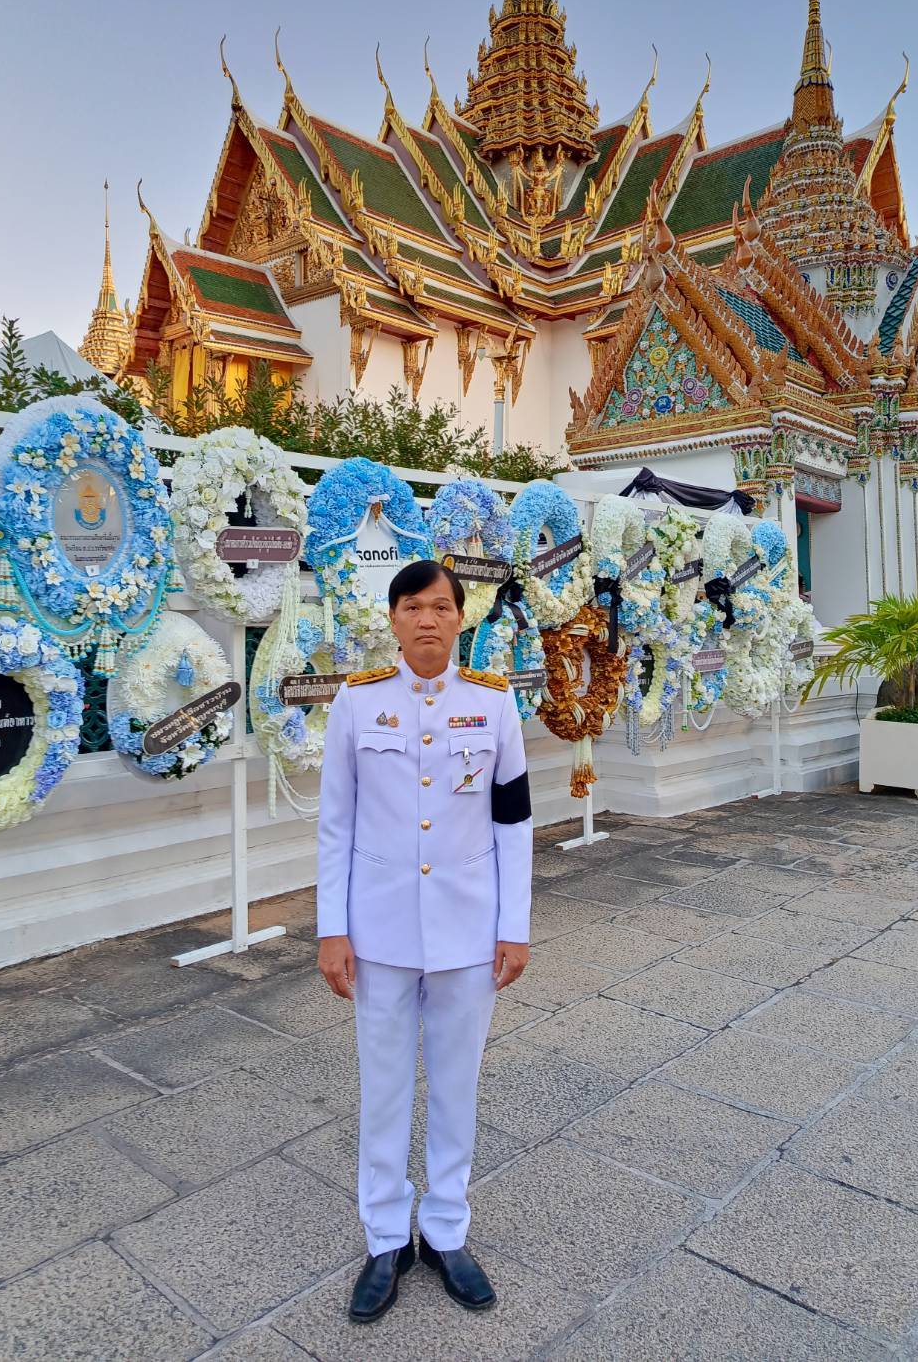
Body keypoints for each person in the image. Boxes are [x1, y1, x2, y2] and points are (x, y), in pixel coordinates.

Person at [317, 558, 533, 1323]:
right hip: (376, 930)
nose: (428, 619)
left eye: (442, 606)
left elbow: (513, 821)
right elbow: (336, 823)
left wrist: (515, 926)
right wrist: (331, 928)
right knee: (383, 1091)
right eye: (413, 606)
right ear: (395, 618)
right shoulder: (356, 702)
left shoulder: (495, 705)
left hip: (469, 930)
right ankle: (385, 1238)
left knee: (457, 1086)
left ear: (460, 617)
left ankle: (445, 1230)